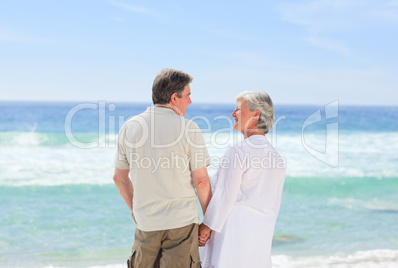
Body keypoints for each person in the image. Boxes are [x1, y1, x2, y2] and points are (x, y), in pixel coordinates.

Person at [113, 68, 212, 268]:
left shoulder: (129, 127)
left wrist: (138, 210)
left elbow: (119, 178)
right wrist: (208, 223)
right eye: (188, 96)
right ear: (175, 98)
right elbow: (201, 181)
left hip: (146, 223)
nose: (190, 102)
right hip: (182, 225)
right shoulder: (189, 128)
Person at [198, 91, 286, 268]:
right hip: (260, 235)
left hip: (232, 233)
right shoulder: (277, 158)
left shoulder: (238, 151)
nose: (233, 114)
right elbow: (275, 205)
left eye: (238, 109)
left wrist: (206, 226)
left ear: (256, 114)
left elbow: (226, 195)